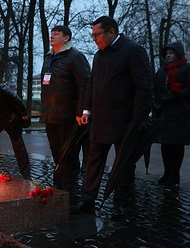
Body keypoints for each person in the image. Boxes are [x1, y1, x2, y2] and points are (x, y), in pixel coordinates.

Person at [72, 16, 153, 218]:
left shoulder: (133, 51)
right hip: (100, 119)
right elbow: (92, 84)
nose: (94, 39)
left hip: (125, 121)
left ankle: (122, 204)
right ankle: (87, 199)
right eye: (92, 36)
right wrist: (86, 110)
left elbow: (144, 86)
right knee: (93, 160)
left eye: (97, 35)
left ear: (112, 32)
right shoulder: (99, 55)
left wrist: (138, 119)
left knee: (123, 164)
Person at [40, 25, 90, 192]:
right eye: (51, 34)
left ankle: (70, 189)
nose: (52, 37)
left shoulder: (75, 57)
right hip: (51, 115)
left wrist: (81, 111)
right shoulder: (49, 57)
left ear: (66, 38)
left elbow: (84, 84)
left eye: (56, 34)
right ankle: (60, 185)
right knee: (57, 153)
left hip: (67, 116)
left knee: (69, 153)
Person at [154, 42, 190, 187]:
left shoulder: (186, 69)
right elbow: (155, 88)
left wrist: (177, 94)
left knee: (176, 145)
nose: (168, 56)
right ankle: (167, 173)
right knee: (166, 144)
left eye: (171, 53)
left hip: (180, 112)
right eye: (167, 53)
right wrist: (159, 99)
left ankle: (175, 175)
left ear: (178, 54)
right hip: (165, 112)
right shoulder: (162, 71)